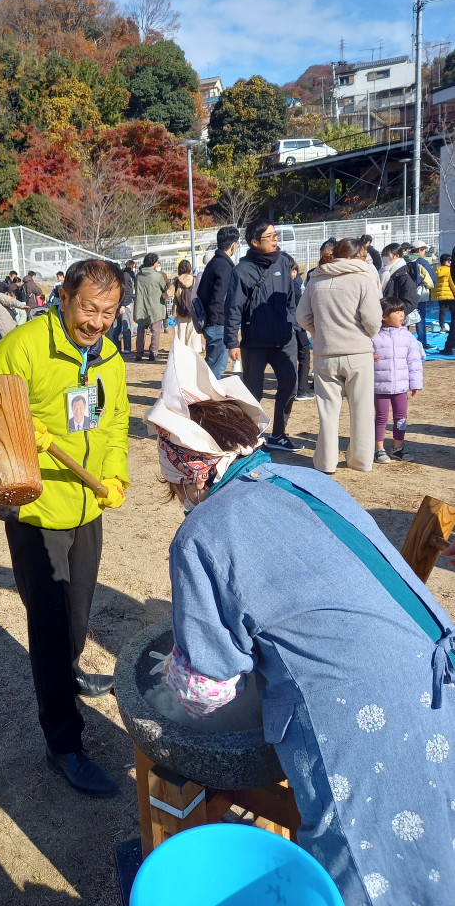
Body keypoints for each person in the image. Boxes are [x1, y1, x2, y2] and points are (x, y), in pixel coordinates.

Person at [144, 342, 455, 906]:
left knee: (372, 868)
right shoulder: (309, 481)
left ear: (184, 469)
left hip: (365, 714)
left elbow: (206, 689)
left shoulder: (204, 533)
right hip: (432, 671)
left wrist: (174, 670)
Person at [0, 258, 130, 797]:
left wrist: (115, 473)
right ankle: (64, 744)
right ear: (63, 298)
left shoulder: (109, 358)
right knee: (49, 626)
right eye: (88, 307)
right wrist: (28, 437)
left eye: (109, 311)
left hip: (87, 506)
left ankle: (67, 677)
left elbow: (114, 422)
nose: (97, 321)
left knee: (78, 615)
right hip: (38, 509)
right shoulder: (22, 347)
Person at [297, 238, 381, 473]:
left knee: (327, 411)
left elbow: (302, 317)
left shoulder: (316, 279)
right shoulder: (362, 280)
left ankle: (326, 462)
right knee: (362, 409)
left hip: (326, 353)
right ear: (355, 256)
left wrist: (320, 331)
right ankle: (361, 460)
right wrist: (363, 332)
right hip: (358, 352)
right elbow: (374, 322)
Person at [224, 219, 298, 451]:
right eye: (270, 237)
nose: (276, 240)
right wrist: (232, 341)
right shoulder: (242, 270)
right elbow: (233, 307)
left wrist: (292, 324)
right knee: (253, 392)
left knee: (290, 384)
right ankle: (251, 436)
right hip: (254, 342)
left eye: (276, 235)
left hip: (284, 339)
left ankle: (279, 434)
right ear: (255, 242)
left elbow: (290, 300)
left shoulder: (284, 262)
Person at [372, 296, 423, 464]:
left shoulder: (407, 336)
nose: (402, 315)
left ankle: (397, 448)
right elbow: (364, 357)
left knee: (401, 417)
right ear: (384, 316)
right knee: (381, 417)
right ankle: (378, 449)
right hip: (380, 387)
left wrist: (415, 384)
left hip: (401, 388)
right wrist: (370, 357)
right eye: (397, 312)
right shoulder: (374, 337)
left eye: (402, 311)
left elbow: (414, 362)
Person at [197, 226, 238, 379]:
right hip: (218, 324)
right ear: (233, 245)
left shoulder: (213, 263)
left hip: (211, 321)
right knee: (216, 367)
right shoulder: (224, 266)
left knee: (212, 364)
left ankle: (205, 397)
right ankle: (207, 399)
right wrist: (217, 321)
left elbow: (202, 293)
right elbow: (220, 298)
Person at [133, 252, 167, 362]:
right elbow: (164, 288)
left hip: (141, 307)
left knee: (141, 331)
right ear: (153, 263)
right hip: (156, 307)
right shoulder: (157, 276)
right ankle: (153, 353)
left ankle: (139, 354)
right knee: (155, 331)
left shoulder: (138, 276)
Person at [404, 241, 435, 347]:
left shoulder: (405, 260)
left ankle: (405, 342)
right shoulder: (422, 261)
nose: (424, 252)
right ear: (419, 250)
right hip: (420, 293)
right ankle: (422, 342)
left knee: (406, 317)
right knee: (420, 318)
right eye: (424, 250)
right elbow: (431, 279)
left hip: (406, 292)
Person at [166, 259, 202, 353]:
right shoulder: (194, 280)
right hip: (193, 310)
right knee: (192, 331)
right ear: (190, 269)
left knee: (181, 332)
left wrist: (164, 295)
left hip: (180, 310)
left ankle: (181, 350)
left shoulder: (176, 281)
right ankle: (193, 350)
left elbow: (169, 293)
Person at [289, 260, 313, 401]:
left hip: (291, 326)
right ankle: (301, 390)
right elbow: (300, 306)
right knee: (303, 355)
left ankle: (296, 389)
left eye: (295, 270)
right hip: (297, 326)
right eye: (291, 270)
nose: (293, 273)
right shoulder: (293, 286)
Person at [379, 243, 418, 318]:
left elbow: (411, 300)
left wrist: (397, 314)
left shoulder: (403, 275)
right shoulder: (382, 272)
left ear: (397, 256)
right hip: (385, 315)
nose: (384, 257)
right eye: (383, 255)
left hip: (394, 317)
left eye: (387, 255)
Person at [109, 261, 135, 354]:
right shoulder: (113, 279)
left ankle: (127, 348)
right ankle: (117, 348)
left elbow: (128, 293)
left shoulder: (124, 277)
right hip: (116, 307)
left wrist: (123, 305)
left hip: (124, 306)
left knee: (126, 328)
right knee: (116, 329)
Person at [433, 252, 454, 333]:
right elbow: (452, 283)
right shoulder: (449, 270)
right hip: (450, 294)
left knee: (442, 311)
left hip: (440, 295)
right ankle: (452, 327)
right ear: (446, 262)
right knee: (453, 311)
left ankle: (442, 326)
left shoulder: (436, 270)